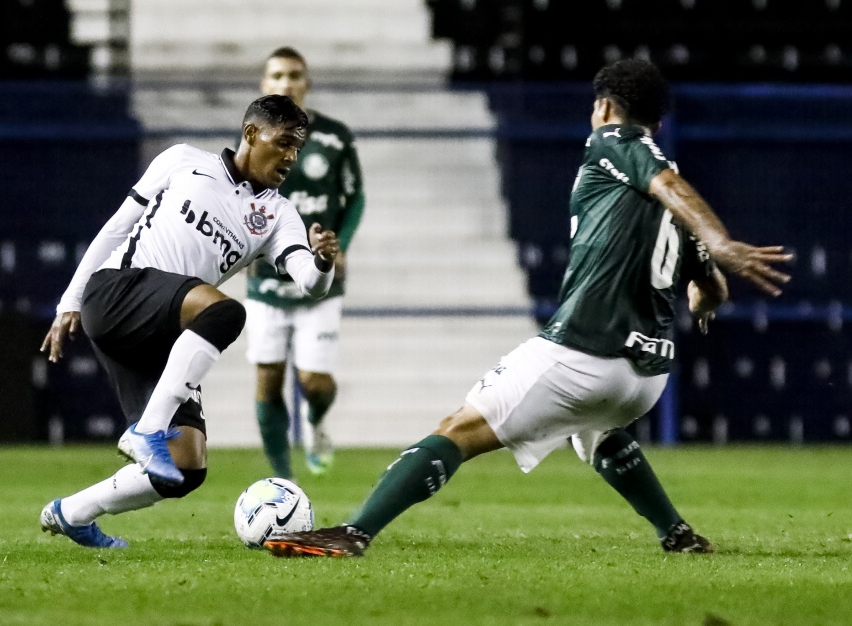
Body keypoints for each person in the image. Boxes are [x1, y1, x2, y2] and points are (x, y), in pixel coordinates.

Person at [261, 59, 793, 558]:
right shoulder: (674, 208)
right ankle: (676, 533)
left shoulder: (617, 141)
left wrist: (722, 242)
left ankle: (354, 533)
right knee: (598, 432)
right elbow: (710, 289)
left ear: (606, 108)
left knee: (459, 428)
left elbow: (671, 186)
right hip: (646, 378)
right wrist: (707, 288)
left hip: (587, 351)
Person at [38, 94, 339, 548]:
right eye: (284, 143)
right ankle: (147, 430)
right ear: (252, 133)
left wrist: (321, 263)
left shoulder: (279, 215)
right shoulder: (183, 161)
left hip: (165, 331)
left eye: (298, 148)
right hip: (118, 292)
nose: (291, 157)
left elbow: (309, 282)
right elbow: (119, 227)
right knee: (225, 311)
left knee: (185, 467)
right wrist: (70, 301)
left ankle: (73, 513)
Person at [246, 47, 365, 478]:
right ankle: (283, 478)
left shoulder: (334, 137)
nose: (285, 83)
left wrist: (344, 245)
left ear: (306, 84)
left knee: (313, 382)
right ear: (264, 85)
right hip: (267, 278)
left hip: (319, 276)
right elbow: (237, 198)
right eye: (276, 75)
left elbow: (356, 197)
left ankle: (316, 421)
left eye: (294, 75)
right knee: (268, 378)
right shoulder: (252, 140)